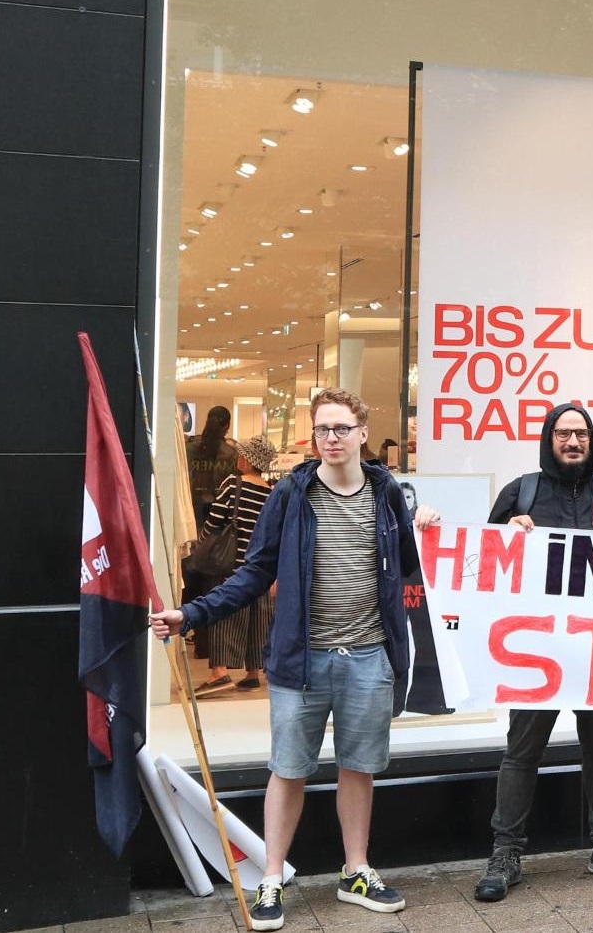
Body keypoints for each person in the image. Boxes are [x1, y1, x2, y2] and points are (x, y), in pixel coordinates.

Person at [150, 388, 430, 931]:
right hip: (301, 661)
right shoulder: (291, 494)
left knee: (359, 768)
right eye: (323, 429)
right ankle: (271, 877)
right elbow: (257, 570)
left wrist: (428, 525)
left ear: (363, 433)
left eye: (342, 428)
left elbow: (408, 567)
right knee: (288, 769)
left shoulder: (387, 494)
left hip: (368, 656)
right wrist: (193, 613)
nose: (331, 438)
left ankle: (355, 871)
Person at [474, 404, 593, 901]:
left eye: (581, 434)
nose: (573, 442)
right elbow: (484, 564)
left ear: (591, 441)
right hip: (538, 649)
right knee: (522, 752)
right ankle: (505, 853)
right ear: (548, 438)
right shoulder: (522, 492)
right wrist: (507, 534)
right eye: (563, 433)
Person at [194, 436, 280, 694]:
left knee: (224, 614)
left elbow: (214, 522)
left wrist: (202, 544)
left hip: (232, 566)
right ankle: (253, 673)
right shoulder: (271, 492)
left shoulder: (233, 484)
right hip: (260, 569)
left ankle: (219, 672)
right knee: (257, 620)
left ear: (247, 460)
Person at [187, 405, 241, 521]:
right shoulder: (231, 454)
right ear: (227, 426)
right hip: (220, 512)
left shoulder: (190, 448)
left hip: (192, 509)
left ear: (207, 421)